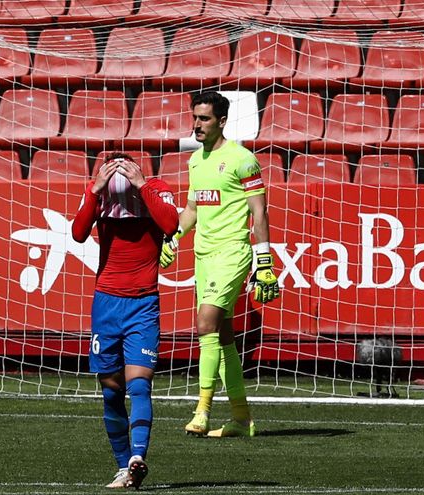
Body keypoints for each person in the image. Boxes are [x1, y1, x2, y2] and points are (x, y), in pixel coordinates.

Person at [159, 91, 280, 438]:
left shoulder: (243, 159)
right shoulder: (196, 161)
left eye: (205, 118)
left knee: (205, 325)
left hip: (232, 253)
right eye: (195, 117)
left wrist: (264, 258)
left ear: (222, 121)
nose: (197, 124)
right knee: (224, 335)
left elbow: (259, 211)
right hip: (204, 256)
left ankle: (202, 411)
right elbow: (193, 210)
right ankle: (242, 418)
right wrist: (173, 237)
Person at [72, 152, 179, 489]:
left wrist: (142, 185)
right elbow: (77, 233)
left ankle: (136, 457)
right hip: (106, 305)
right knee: (111, 392)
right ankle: (123, 468)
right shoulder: (97, 194)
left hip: (143, 305)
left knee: (139, 384)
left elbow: (171, 224)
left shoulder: (156, 189)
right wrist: (95, 188)